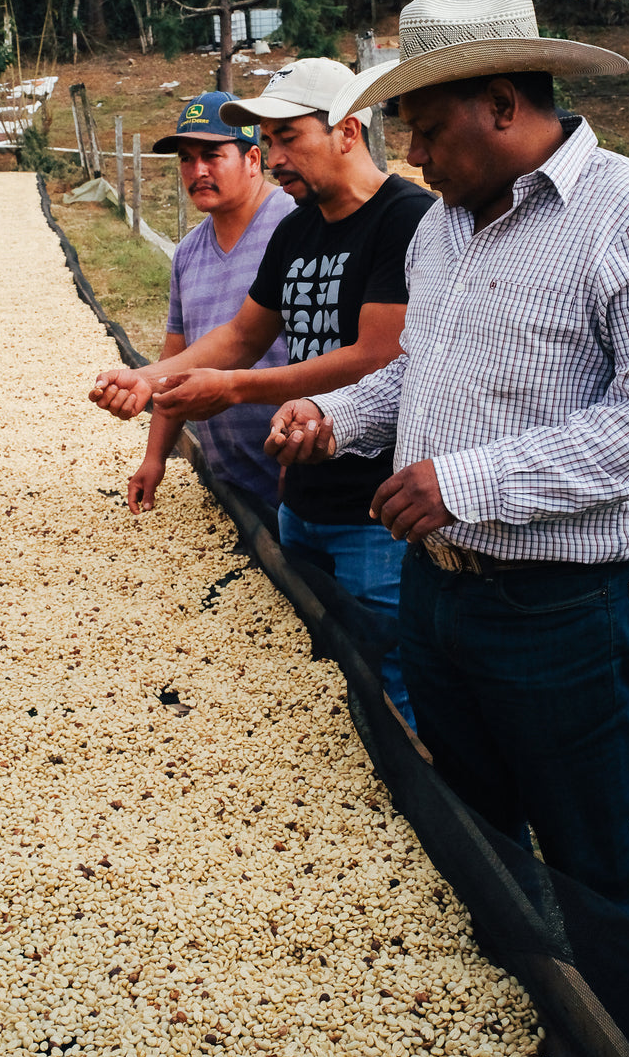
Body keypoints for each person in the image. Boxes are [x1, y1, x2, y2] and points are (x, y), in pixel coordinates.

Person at [269, 0, 629, 957]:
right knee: (474, 840)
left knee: (590, 866)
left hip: (557, 612)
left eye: (425, 128)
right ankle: (508, 1011)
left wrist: (466, 485)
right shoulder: (442, 226)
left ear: (503, 105)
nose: (412, 157)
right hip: (439, 595)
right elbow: (418, 372)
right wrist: (333, 417)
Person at [91, 58, 435, 726]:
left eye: (287, 139)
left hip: (374, 507)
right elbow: (243, 334)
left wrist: (235, 390)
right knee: (314, 670)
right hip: (299, 498)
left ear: (348, 131)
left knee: (392, 674)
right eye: (268, 142)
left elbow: (373, 355)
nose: (275, 158)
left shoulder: (405, 219)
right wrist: (148, 378)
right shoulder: (299, 228)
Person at [128, 90, 295, 515]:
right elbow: (176, 359)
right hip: (231, 478)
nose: (197, 170)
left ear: (253, 160)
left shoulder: (296, 225)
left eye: (212, 155)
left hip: (297, 469)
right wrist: (154, 459)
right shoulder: (187, 253)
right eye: (186, 158)